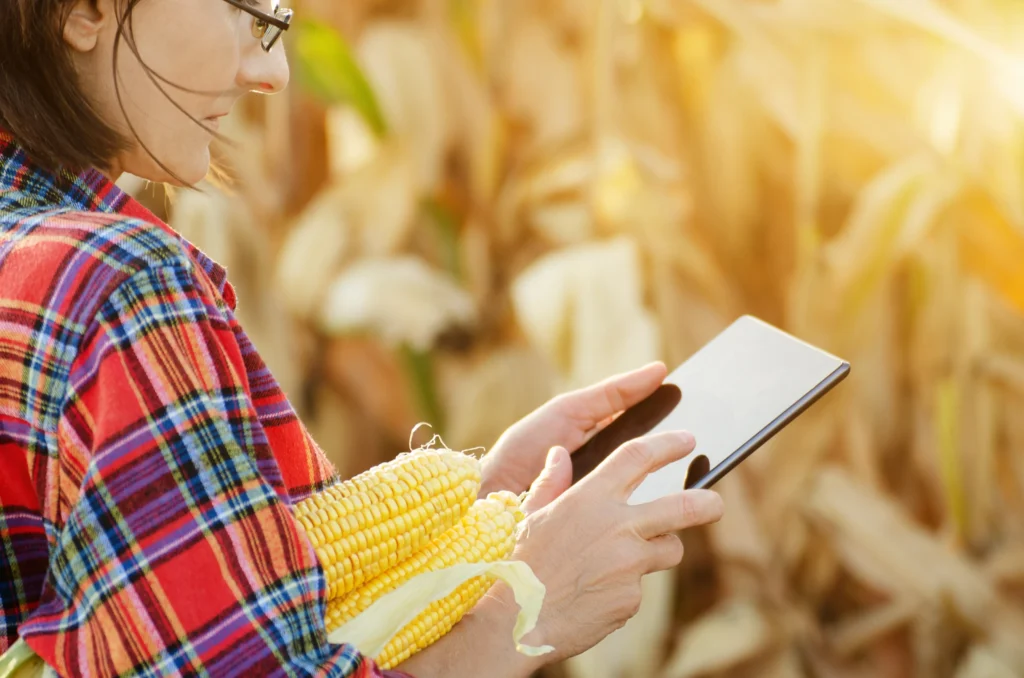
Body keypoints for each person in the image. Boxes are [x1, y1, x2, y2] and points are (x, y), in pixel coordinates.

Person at [0, 1, 725, 676]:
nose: (272, 73)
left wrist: (482, 506)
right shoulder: (119, 292)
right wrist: (530, 605)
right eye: (238, 7)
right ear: (85, 10)